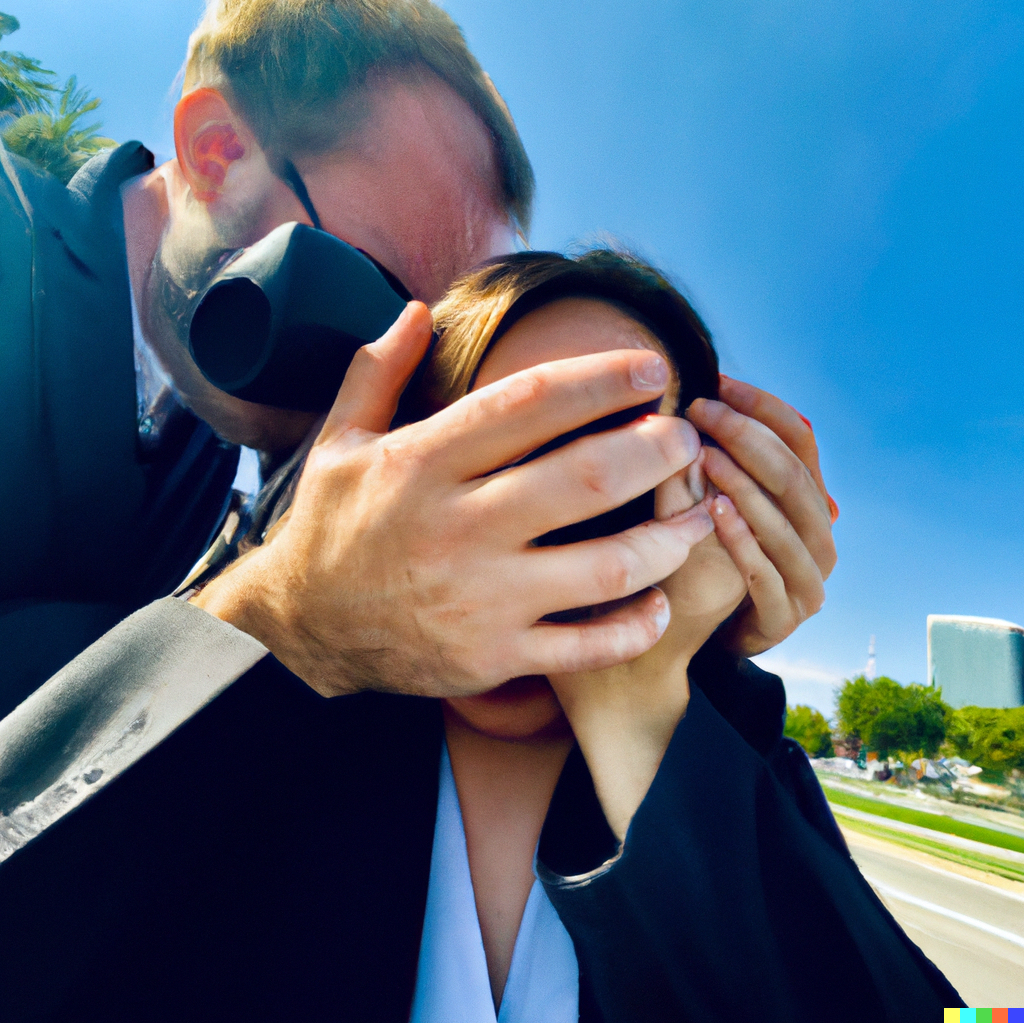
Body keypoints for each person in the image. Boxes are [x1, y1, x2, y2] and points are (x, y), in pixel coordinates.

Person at [0, 249, 959, 1023]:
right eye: (486, 463)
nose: (540, 529)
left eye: (616, 471)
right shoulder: (257, 737)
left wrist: (640, 693)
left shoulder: (735, 766)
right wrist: (289, 617)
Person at [0, 0, 836, 720]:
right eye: (370, 291)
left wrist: (684, 625)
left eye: (431, 342)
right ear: (217, 153)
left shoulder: (219, 429)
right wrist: (282, 620)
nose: (395, 387)